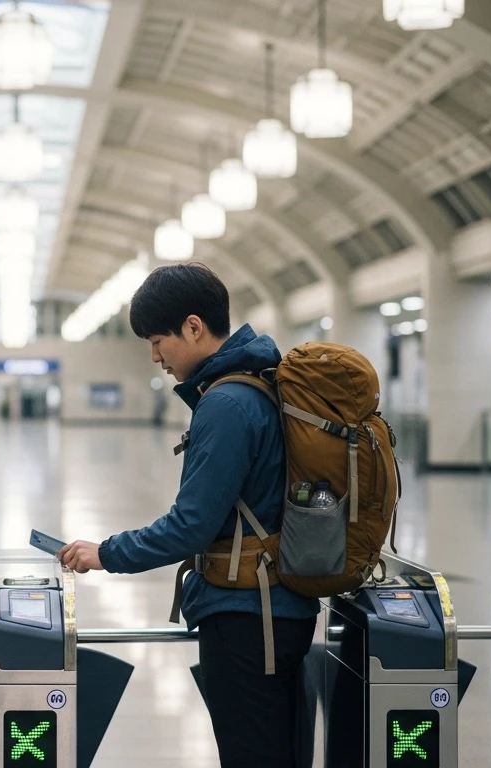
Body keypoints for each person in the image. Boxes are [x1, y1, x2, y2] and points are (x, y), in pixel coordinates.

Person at [57, 263, 319, 768]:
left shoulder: (226, 403)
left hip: (246, 617)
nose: (155, 356)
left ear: (195, 327)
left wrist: (106, 553)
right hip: (279, 607)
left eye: (159, 340)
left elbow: (191, 525)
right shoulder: (262, 381)